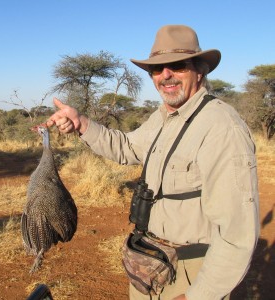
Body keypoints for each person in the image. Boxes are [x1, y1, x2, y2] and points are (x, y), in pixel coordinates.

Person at [47, 25, 259, 300]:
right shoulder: (163, 117)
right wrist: (82, 124)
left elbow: (237, 234)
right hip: (150, 262)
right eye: (157, 69)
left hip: (191, 272)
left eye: (178, 66)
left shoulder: (221, 127)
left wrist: (198, 296)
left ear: (200, 70)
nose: (166, 76)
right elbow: (127, 147)